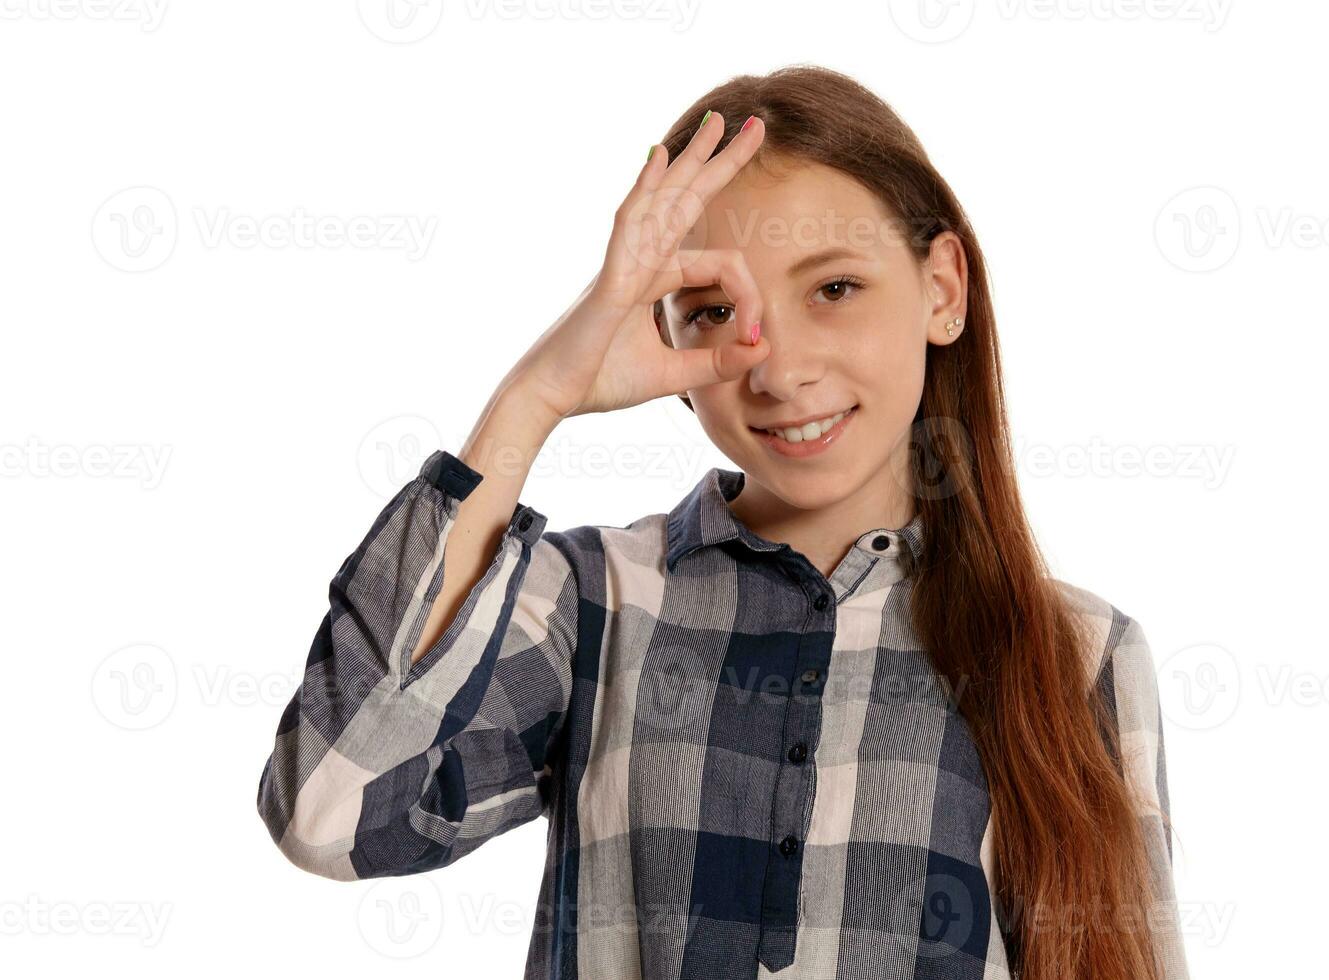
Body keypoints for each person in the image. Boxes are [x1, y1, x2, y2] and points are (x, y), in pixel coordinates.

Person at [255, 64, 1189, 980]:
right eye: (713, 311)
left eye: (833, 289)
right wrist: (537, 395)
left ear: (942, 288)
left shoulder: (1080, 655)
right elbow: (329, 811)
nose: (777, 369)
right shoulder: (593, 603)